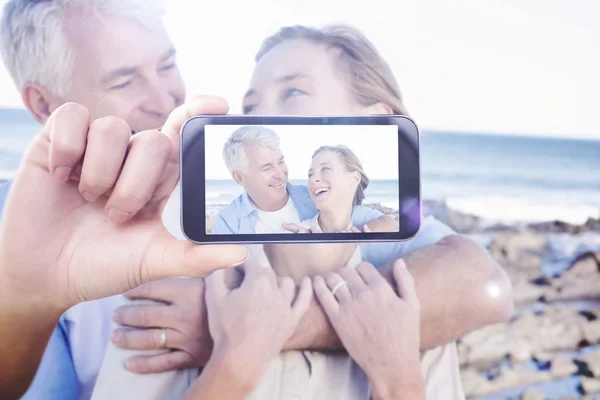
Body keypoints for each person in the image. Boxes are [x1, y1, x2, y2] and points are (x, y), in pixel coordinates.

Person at [91, 24, 514, 400]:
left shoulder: (405, 308)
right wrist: (235, 367)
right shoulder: (180, 295)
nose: (262, 116)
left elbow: (484, 283)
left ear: (376, 128)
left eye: (293, 92)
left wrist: (395, 376)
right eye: (251, 106)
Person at [0, 0, 192, 398]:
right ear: (44, 105)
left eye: (167, 65)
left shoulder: (218, 188)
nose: (165, 100)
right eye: (124, 81)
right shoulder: (16, 237)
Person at [212, 125, 394, 235]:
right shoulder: (228, 221)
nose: (280, 173)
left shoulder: (316, 195)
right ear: (239, 177)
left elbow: (379, 220)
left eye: (281, 162)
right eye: (267, 168)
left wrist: (358, 238)